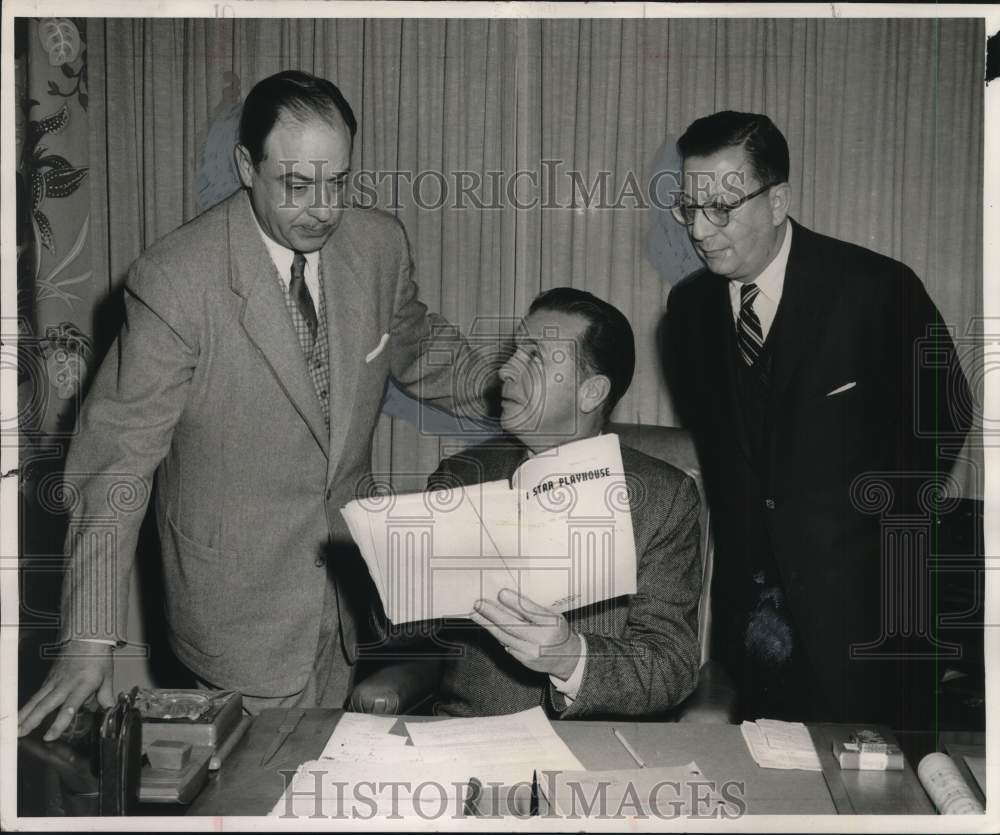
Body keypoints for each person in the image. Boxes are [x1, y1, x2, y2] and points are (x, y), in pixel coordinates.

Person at [18, 70, 484, 739]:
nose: (324, 208)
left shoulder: (379, 245)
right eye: (297, 185)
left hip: (355, 589)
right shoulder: (177, 281)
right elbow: (115, 466)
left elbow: (416, 343)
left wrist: (522, 390)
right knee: (263, 795)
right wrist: (88, 636)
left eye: (339, 182)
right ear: (246, 165)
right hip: (239, 606)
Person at [662, 111, 971, 727]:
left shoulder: (878, 289)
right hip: (749, 622)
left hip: (867, 616)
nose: (699, 229)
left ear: (777, 201)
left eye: (721, 206)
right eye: (688, 207)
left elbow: (946, 414)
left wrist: (866, 534)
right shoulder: (688, 309)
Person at [425, 288, 702, 718]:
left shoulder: (664, 499)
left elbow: (671, 667)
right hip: (470, 743)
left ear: (591, 393)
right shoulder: (460, 479)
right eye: (515, 351)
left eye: (535, 357)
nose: (507, 371)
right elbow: (410, 639)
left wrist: (571, 656)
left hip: (598, 752)